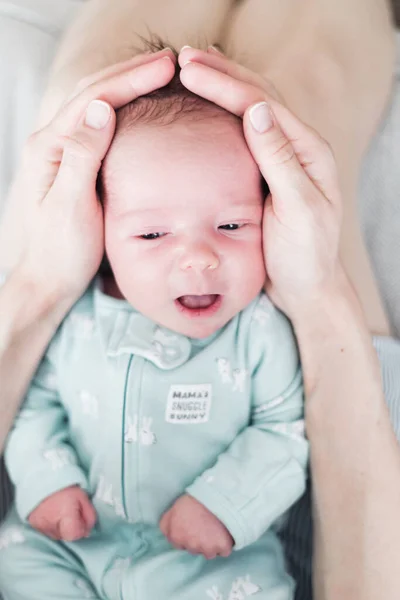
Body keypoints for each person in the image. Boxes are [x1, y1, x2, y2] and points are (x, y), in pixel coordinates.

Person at [0, 1, 398, 598]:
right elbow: (291, 437)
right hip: (232, 553)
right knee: (302, 98)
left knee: (97, 104)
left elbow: (35, 406)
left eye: (231, 228)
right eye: (153, 234)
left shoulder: (240, 331)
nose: (198, 260)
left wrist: (41, 281)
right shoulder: (266, 325)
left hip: (106, 560)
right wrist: (315, 290)